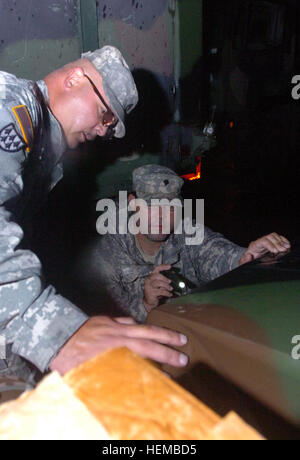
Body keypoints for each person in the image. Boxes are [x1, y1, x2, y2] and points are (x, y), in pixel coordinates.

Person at [0, 47, 189, 383]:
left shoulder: (45, 152)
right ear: (75, 79)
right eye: (104, 115)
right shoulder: (11, 107)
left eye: (111, 126)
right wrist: (52, 329)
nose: (104, 131)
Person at [91, 164, 291, 323]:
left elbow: (218, 252)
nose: (162, 216)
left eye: (170, 206)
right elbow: (106, 322)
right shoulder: (110, 249)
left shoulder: (187, 233)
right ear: (133, 203)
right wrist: (146, 305)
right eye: (152, 205)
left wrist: (247, 256)